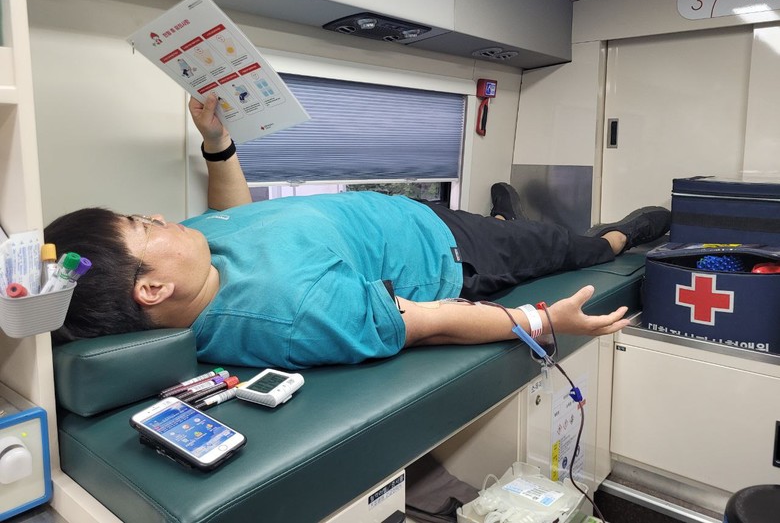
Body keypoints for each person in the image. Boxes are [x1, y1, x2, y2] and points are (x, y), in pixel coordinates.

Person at [44, 94, 670, 369]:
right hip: (452, 249)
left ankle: (507, 220)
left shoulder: (194, 261)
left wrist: (217, 142)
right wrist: (542, 321)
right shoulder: (294, 313)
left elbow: (236, 216)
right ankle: (617, 234)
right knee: (570, 247)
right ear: (151, 290)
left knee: (516, 230)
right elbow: (428, 321)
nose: (157, 218)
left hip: (409, 218)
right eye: (141, 226)